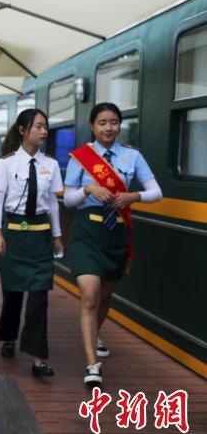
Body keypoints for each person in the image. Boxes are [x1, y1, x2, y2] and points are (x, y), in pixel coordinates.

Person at [64, 102, 162, 387]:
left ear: (120, 125)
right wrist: (88, 189)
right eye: (103, 122)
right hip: (87, 231)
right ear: (93, 126)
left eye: (114, 122)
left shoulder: (132, 156)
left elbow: (156, 191)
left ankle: (94, 334)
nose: (109, 127)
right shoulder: (81, 158)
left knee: (106, 297)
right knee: (90, 296)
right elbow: (68, 199)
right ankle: (92, 364)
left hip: (116, 232)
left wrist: (134, 197)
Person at [0, 108, 63, 378]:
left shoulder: (51, 165)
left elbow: (53, 203)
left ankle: (37, 357)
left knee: (39, 297)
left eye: (46, 127)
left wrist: (57, 236)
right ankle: (9, 336)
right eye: (38, 126)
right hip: (14, 234)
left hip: (40, 234)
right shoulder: (7, 163)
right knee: (13, 292)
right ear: (23, 130)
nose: (44, 131)